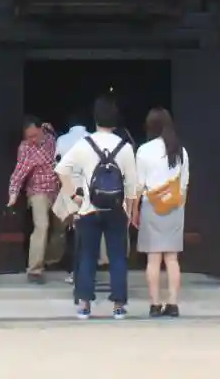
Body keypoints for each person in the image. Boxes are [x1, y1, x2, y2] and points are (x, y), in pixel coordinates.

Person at [57, 94, 140, 320]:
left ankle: (84, 305)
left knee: (87, 256)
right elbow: (131, 184)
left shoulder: (85, 144)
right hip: (116, 209)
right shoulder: (124, 147)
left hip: (88, 208)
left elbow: (61, 170)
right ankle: (118, 306)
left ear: (95, 118)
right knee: (118, 257)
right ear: (116, 119)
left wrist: (74, 196)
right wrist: (130, 210)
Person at [136, 107, 190, 318]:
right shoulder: (180, 150)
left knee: (153, 259)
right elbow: (184, 184)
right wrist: (178, 205)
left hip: (152, 205)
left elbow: (139, 185)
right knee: (172, 258)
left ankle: (155, 304)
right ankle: (173, 303)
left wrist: (133, 209)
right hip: (175, 207)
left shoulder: (144, 150)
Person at [7, 117, 64, 282]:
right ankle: (34, 269)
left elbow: (48, 126)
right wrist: (13, 194)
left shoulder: (50, 137)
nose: (32, 140)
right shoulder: (25, 148)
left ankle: (51, 260)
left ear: (40, 130)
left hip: (58, 189)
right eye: (28, 137)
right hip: (38, 191)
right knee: (42, 225)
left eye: (34, 135)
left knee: (62, 227)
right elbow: (19, 173)